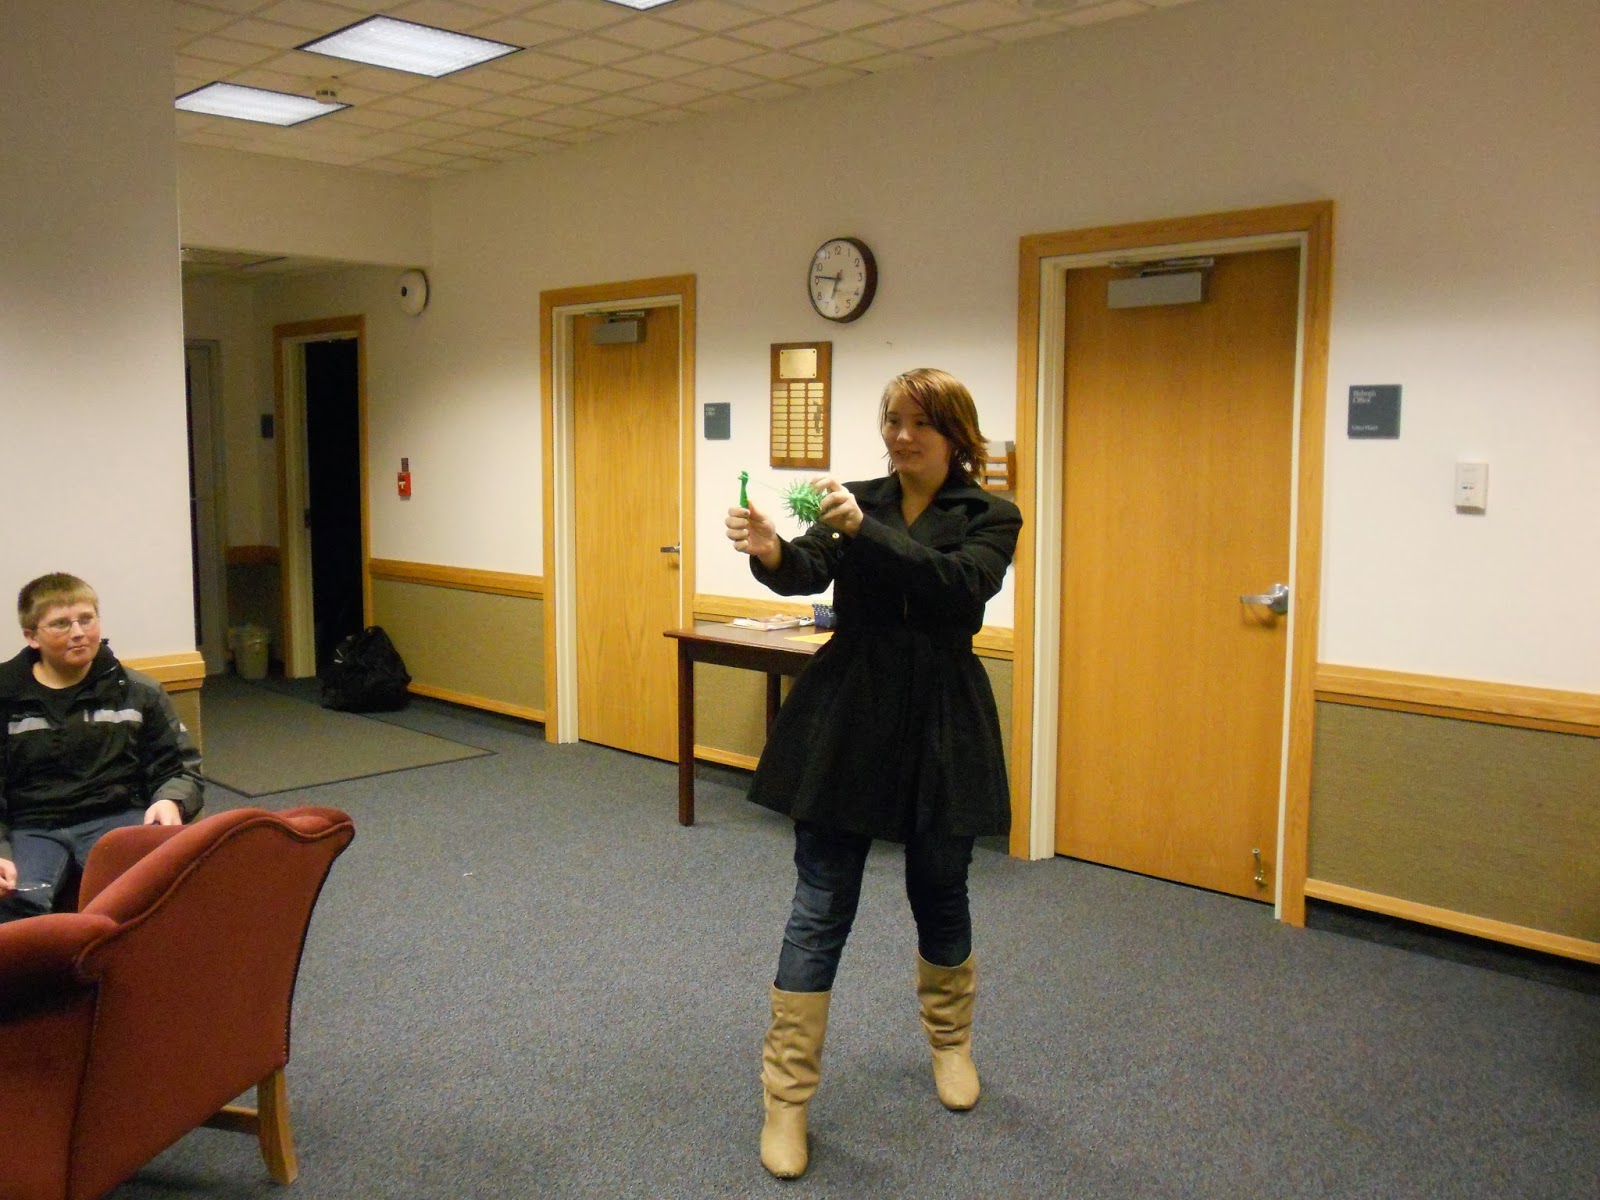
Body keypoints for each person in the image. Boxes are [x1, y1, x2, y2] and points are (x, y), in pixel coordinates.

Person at [725, 368, 1023, 1179]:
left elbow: (960, 587)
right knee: (821, 901)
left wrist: (866, 532)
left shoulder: (991, 515)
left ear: (955, 435)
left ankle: (951, 1045)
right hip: (850, 709)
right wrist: (771, 550)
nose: (901, 436)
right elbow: (809, 569)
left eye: (919, 423)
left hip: (942, 716)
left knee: (941, 886)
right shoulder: (855, 498)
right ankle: (786, 1099)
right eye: (892, 420)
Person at [0, 573, 204, 922]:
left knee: (155, 901)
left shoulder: (138, 692)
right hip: (31, 825)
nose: (78, 632)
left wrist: (171, 800)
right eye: (61, 624)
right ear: (32, 636)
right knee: (17, 910)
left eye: (87, 619)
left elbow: (181, 768)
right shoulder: (6, 697)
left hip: (115, 815)